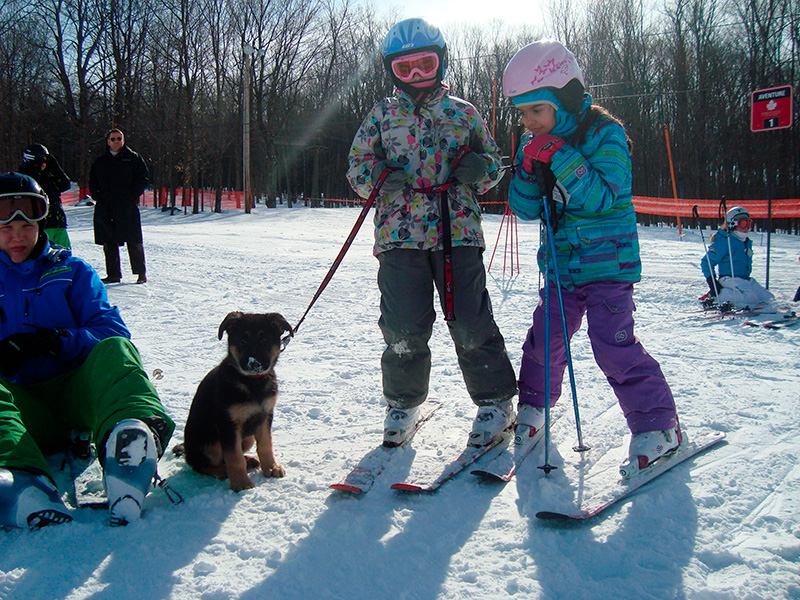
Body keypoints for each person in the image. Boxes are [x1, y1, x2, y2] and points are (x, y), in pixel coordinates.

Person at [502, 40, 681, 473]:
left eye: (537, 110)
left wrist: (559, 155)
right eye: (522, 113)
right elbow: (525, 209)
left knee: (613, 345)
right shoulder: (537, 142)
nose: (529, 122)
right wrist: (526, 169)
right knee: (545, 340)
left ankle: (659, 426)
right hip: (562, 267)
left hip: (608, 266)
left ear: (565, 99)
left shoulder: (606, 134)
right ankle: (534, 408)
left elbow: (602, 197)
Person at [346, 18, 518, 448]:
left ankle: (496, 401)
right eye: (405, 68)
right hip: (399, 235)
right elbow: (357, 166)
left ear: (441, 62)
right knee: (403, 325)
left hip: (457, 231)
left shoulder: (463, 112)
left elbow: (493, 162)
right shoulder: (381, 114)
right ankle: (402, 403)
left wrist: (482, 169)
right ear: (391, 71)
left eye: (425, 64)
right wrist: (376, 175)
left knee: (471, 320)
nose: (417, 74)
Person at [0, 172, 174, 529]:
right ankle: (21, 482)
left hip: (77, 397)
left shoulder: (70, 270)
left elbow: (112, 331)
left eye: (26, 224)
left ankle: (129, 450)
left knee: (116, 350)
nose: (17, 235)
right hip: (21, 409)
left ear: (40, 222)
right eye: (6, 227)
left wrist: (56, 341)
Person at [89, 128, 149, 284]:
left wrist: (132, 195)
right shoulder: (101, 161)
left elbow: (142, 178)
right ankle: (113, 275)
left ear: (124, 140)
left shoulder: (133, 158)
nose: (116, 142)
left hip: (126, 206)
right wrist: (97, 195)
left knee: (134, 240)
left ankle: (141, 274)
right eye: (113, 139)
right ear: (108, 142)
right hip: (106, 206)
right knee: (108, 241)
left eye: (119, 138)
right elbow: (92, 181)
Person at [700, 206, 774, 309]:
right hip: (729, 279)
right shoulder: (724, 241)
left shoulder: (745, 241)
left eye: (749, 223)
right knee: (751, 299)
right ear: (732, 224)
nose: (747, 227)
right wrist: (713, 284)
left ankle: (739, 298)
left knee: (769, 298)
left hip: (745, 279)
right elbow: (706, 262)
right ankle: (717, 296)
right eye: (743, 224)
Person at [18, 144, 72, 249]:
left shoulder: (48, 174)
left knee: (64, 255)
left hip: (58, 223)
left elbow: (65, 184)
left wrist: (54, 165)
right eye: (43, 159)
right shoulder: (26, 178)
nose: (45, 163)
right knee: (44, 255)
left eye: (46, 160)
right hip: (42, 226)